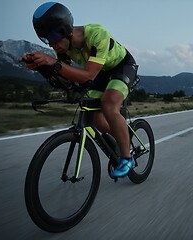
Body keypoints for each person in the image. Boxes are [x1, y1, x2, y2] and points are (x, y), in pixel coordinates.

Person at [19, 2, 138, 178]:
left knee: (108, 104)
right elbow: (64, 76)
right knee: (95, 117)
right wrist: (41, 68)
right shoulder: (63, 49)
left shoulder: (97, 34)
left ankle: (127, 158)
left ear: (66, 29)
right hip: (100, 73)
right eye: (45, 40)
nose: (51, 44)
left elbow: (88, 75)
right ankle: (123, 137)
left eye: (52, 37)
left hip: (122, 67)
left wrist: (52, 62)